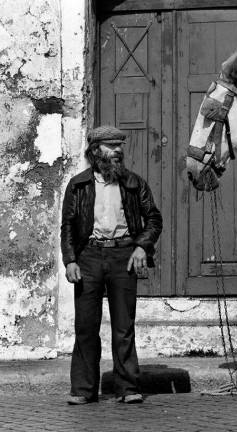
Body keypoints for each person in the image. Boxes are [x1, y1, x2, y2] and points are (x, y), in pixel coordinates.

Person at [61, 125, 162, 405]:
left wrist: (142, 246)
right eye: (110, 146)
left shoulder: (134, 183)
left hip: (123, 256)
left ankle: (128, 388)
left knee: (123, 326)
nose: (117, 151)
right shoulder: (78, 185)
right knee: (85, 326)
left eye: (119, 146)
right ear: (95, 151)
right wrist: (70, 260)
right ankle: (83, 390)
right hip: (89, 258)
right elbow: (67, 226)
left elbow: (153, 218)